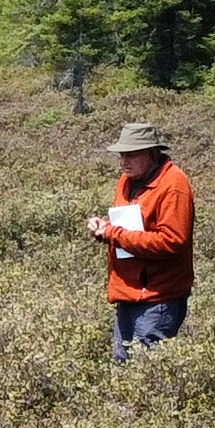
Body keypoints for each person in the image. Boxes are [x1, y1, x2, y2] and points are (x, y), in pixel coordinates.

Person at [87, 120, 194, 357]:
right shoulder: (127, 181)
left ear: (152, 154)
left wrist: (113, 234)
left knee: (146, 373)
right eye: (122, 155)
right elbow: (129, 223)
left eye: (132, 155)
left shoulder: (173, 185)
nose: (124, 161)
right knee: (124, 369)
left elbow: (171, 241)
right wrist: (103, 227)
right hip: (128, 291)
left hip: (157, 298)